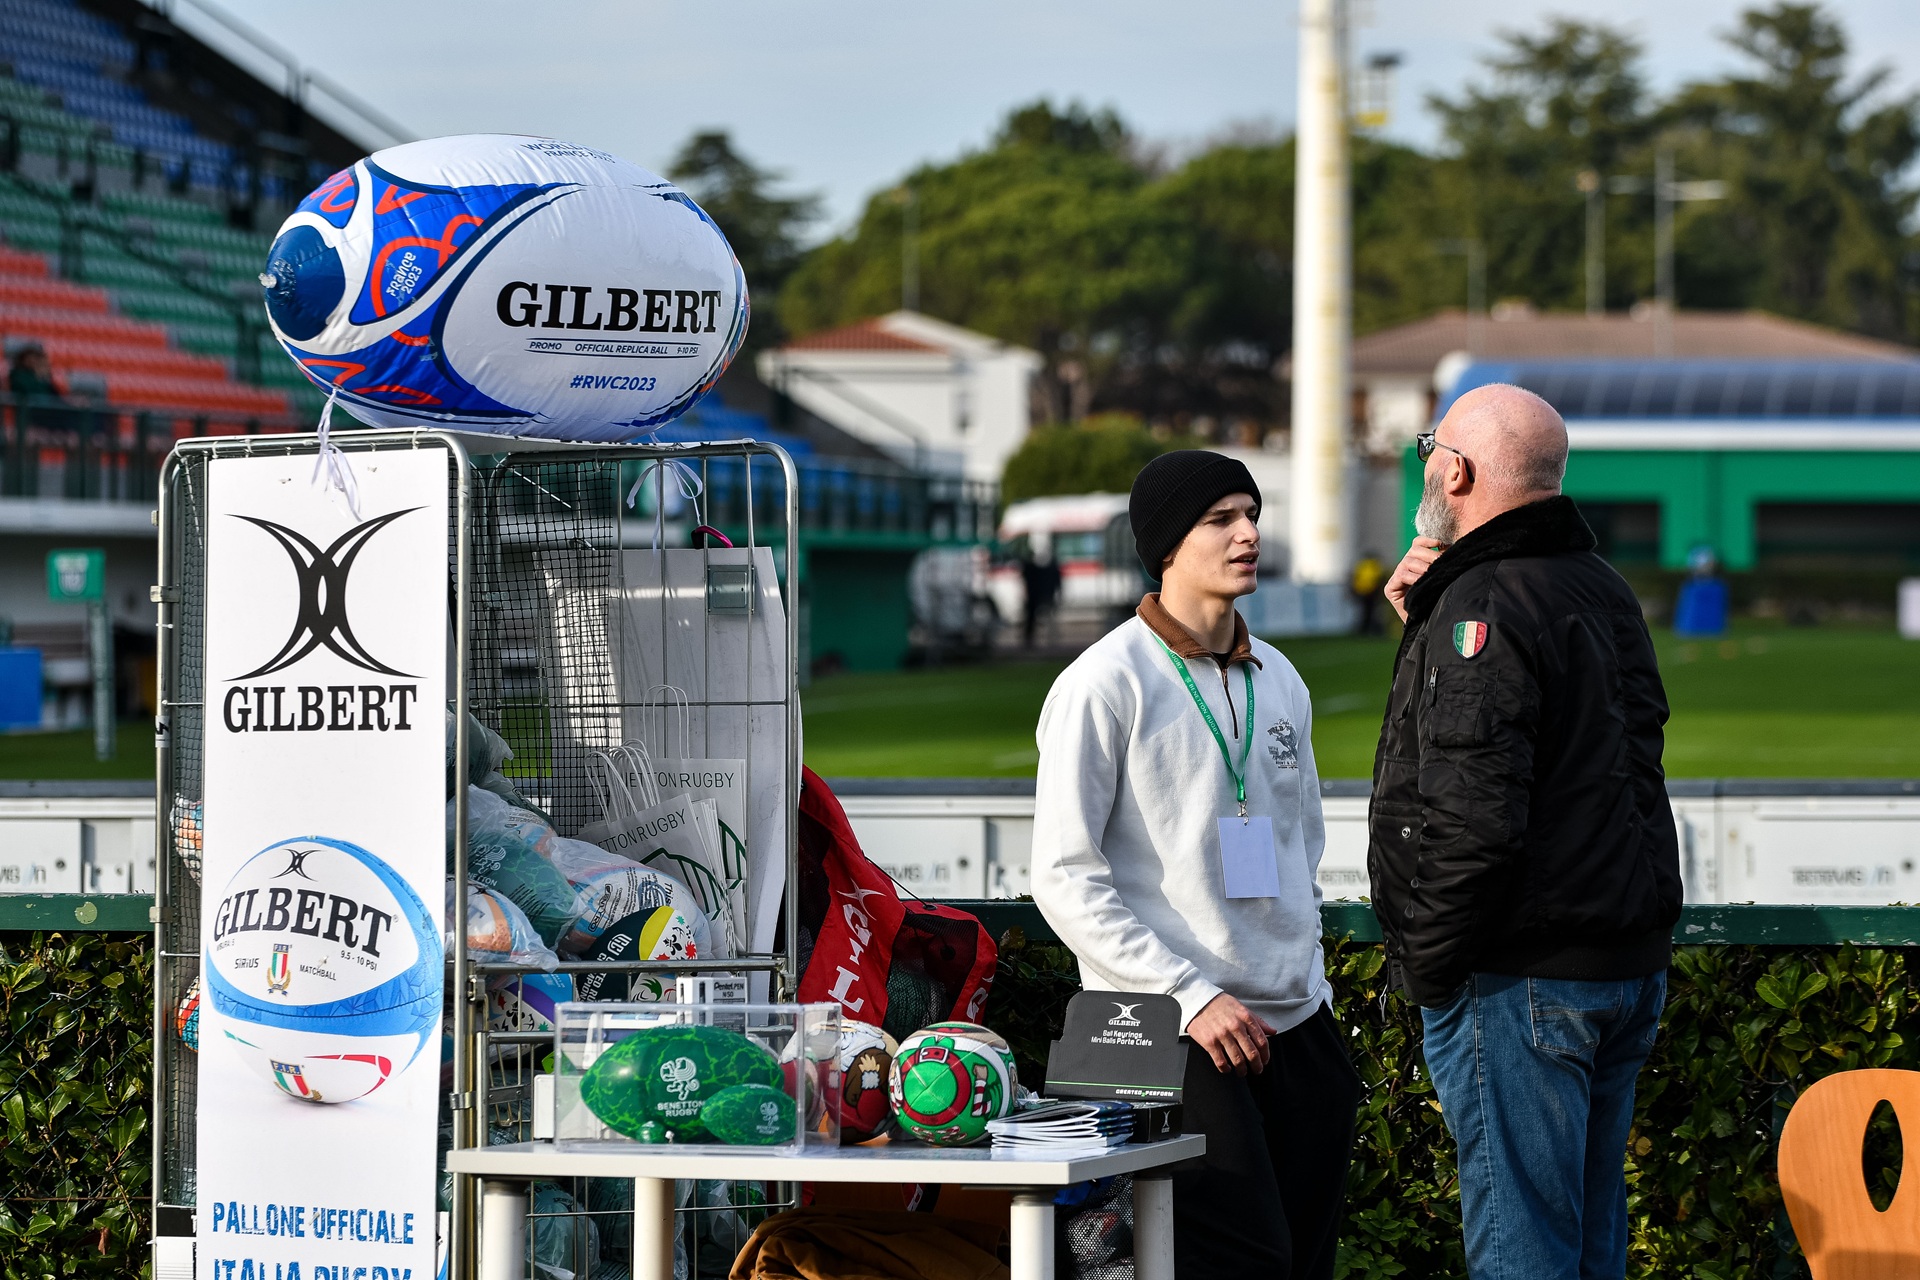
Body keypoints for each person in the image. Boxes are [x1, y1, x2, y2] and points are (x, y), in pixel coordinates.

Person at [1369, 384, 1682, 1280]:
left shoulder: (1487, 601)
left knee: (1525, 1254)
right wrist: (1431, 604)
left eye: (1431, 449)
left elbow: (1472, 819)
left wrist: (1426, 970)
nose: (1426, 465)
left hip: (1522, 975)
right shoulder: (1598, 584)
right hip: (1620, 962)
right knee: (1587, 1245)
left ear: (1458, 472)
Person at [1032, 450, 1361, 1280]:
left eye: (1252, 514)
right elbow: (1065, 876)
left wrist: (1310, 978)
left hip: (1299, 1022)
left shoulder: (1280, 677)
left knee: (1306, 1261)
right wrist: (1190, 995)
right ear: (1167, 546)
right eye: (1222, 519)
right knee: (1242, 1261)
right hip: (1169, 1028)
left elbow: (1302, 843)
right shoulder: (1102, 682)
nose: (1249, 533)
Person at [1349, 552, 1385, 635]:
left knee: (1365, 611)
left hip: (1363, 591)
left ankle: (1364, 628)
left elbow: (1355, 578)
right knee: (1369, 611)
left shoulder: (1361, 565)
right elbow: (1379, 579)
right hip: (1370, 592)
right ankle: (1367, 628)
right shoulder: (1374, 565)